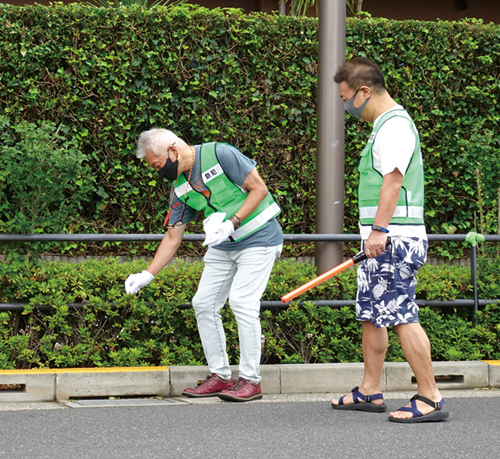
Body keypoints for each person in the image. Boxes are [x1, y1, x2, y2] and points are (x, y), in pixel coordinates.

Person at [125, 129, 283, 402]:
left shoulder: (220, 153)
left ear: (172, 150)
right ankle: (221, 376)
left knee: (242, 302)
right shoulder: (180, 187)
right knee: (204, 303)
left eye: (158, 165)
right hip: (223, 246)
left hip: (259, 239)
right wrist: (147, 274)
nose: (158, 172)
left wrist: (232, 222)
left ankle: (250, 380)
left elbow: (259, 189)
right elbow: (173, 236)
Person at [331, 57, 449, 423]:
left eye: (347, 97)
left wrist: (380, 231)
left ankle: (430, 396)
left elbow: (393, 181)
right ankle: (369, 389)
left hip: (392, 238)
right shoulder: (383, 126)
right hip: (380, 239)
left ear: (364, 92)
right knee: (372, 315)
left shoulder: (394, 126)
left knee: (400, 314)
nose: (346, 105)